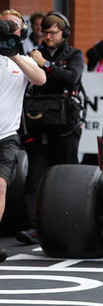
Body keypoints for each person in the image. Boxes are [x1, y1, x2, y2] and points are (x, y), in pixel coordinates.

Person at [17, 12, 85, 244]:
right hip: (37, 124)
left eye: (53, 32)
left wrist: (45, 65)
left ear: (63, 33)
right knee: (34, 177)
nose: (48, 37)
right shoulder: (34, 53)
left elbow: (72, 78)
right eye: (45, 32)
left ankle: (71, 224)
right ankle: (33, 227)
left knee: (68, 176)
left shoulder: (74, 54)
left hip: (65, 126)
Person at [0, 16, 46, 258]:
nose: (8, 30)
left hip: (6, 136)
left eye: (12, 26)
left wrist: (13, 53)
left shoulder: (24, 60)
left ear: (22, 32)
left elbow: (40, 79)